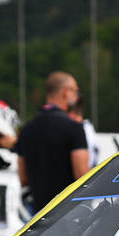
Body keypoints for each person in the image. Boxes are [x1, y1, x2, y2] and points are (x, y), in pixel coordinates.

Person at [14, 72, 92, 213]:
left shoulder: (26, 130)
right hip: (67, 215)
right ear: (65, 92)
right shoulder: (74, 128)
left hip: (38, 215)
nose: (77, 96)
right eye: (75, 91)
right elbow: (82, 177)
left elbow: (23, 178)